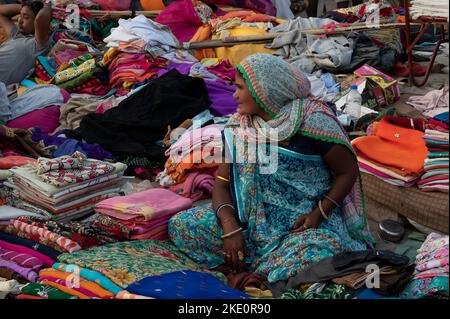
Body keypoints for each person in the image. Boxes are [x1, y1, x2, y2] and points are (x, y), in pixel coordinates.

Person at [169, 53, 374, 283]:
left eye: (240, 88)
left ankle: (251, 265)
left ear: (264, 89)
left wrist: (319, 213)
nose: (234, 95)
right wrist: (230, 228)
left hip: (302, 227)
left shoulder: (312, 121)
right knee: (183, 226)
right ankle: (264, 265)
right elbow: (222, 183)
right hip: (251, 225)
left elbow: (347, 172)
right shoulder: (240, 126)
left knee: (319, 253)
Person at [0, 0, 52, 85]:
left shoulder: (38, 45)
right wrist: (26, 7)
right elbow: (1, 13)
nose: (20, 20)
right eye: (20, 15)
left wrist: (47, 4)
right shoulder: (17, 35)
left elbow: (41, 18)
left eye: (26, 17)